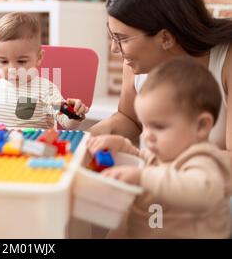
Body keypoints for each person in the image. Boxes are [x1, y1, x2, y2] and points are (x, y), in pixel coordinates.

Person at [88, 0, 232, 157]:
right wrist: (83, 138)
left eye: (122, 38)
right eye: (112, 36)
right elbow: (129, 119)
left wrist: (148, 167)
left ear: (165, 38)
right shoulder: (136, 64)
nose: (115, 49)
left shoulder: (226, 61)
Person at [87, 58, 231, 238]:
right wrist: (122, 146)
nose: (147, 135)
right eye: (145, 125)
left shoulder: (203, 161)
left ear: (201, 126)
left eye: (159, 127)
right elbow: (144, 159)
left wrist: (142, 177)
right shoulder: (162, 157)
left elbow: (202, 189)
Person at [0, 12, 88, 129]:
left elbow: (65, 122)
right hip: (1, 145)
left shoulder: (45, 90)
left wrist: (74, 114)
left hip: (35, 146)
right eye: (3, 61)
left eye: (21, 61)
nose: (12, 69)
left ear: (39, 58)